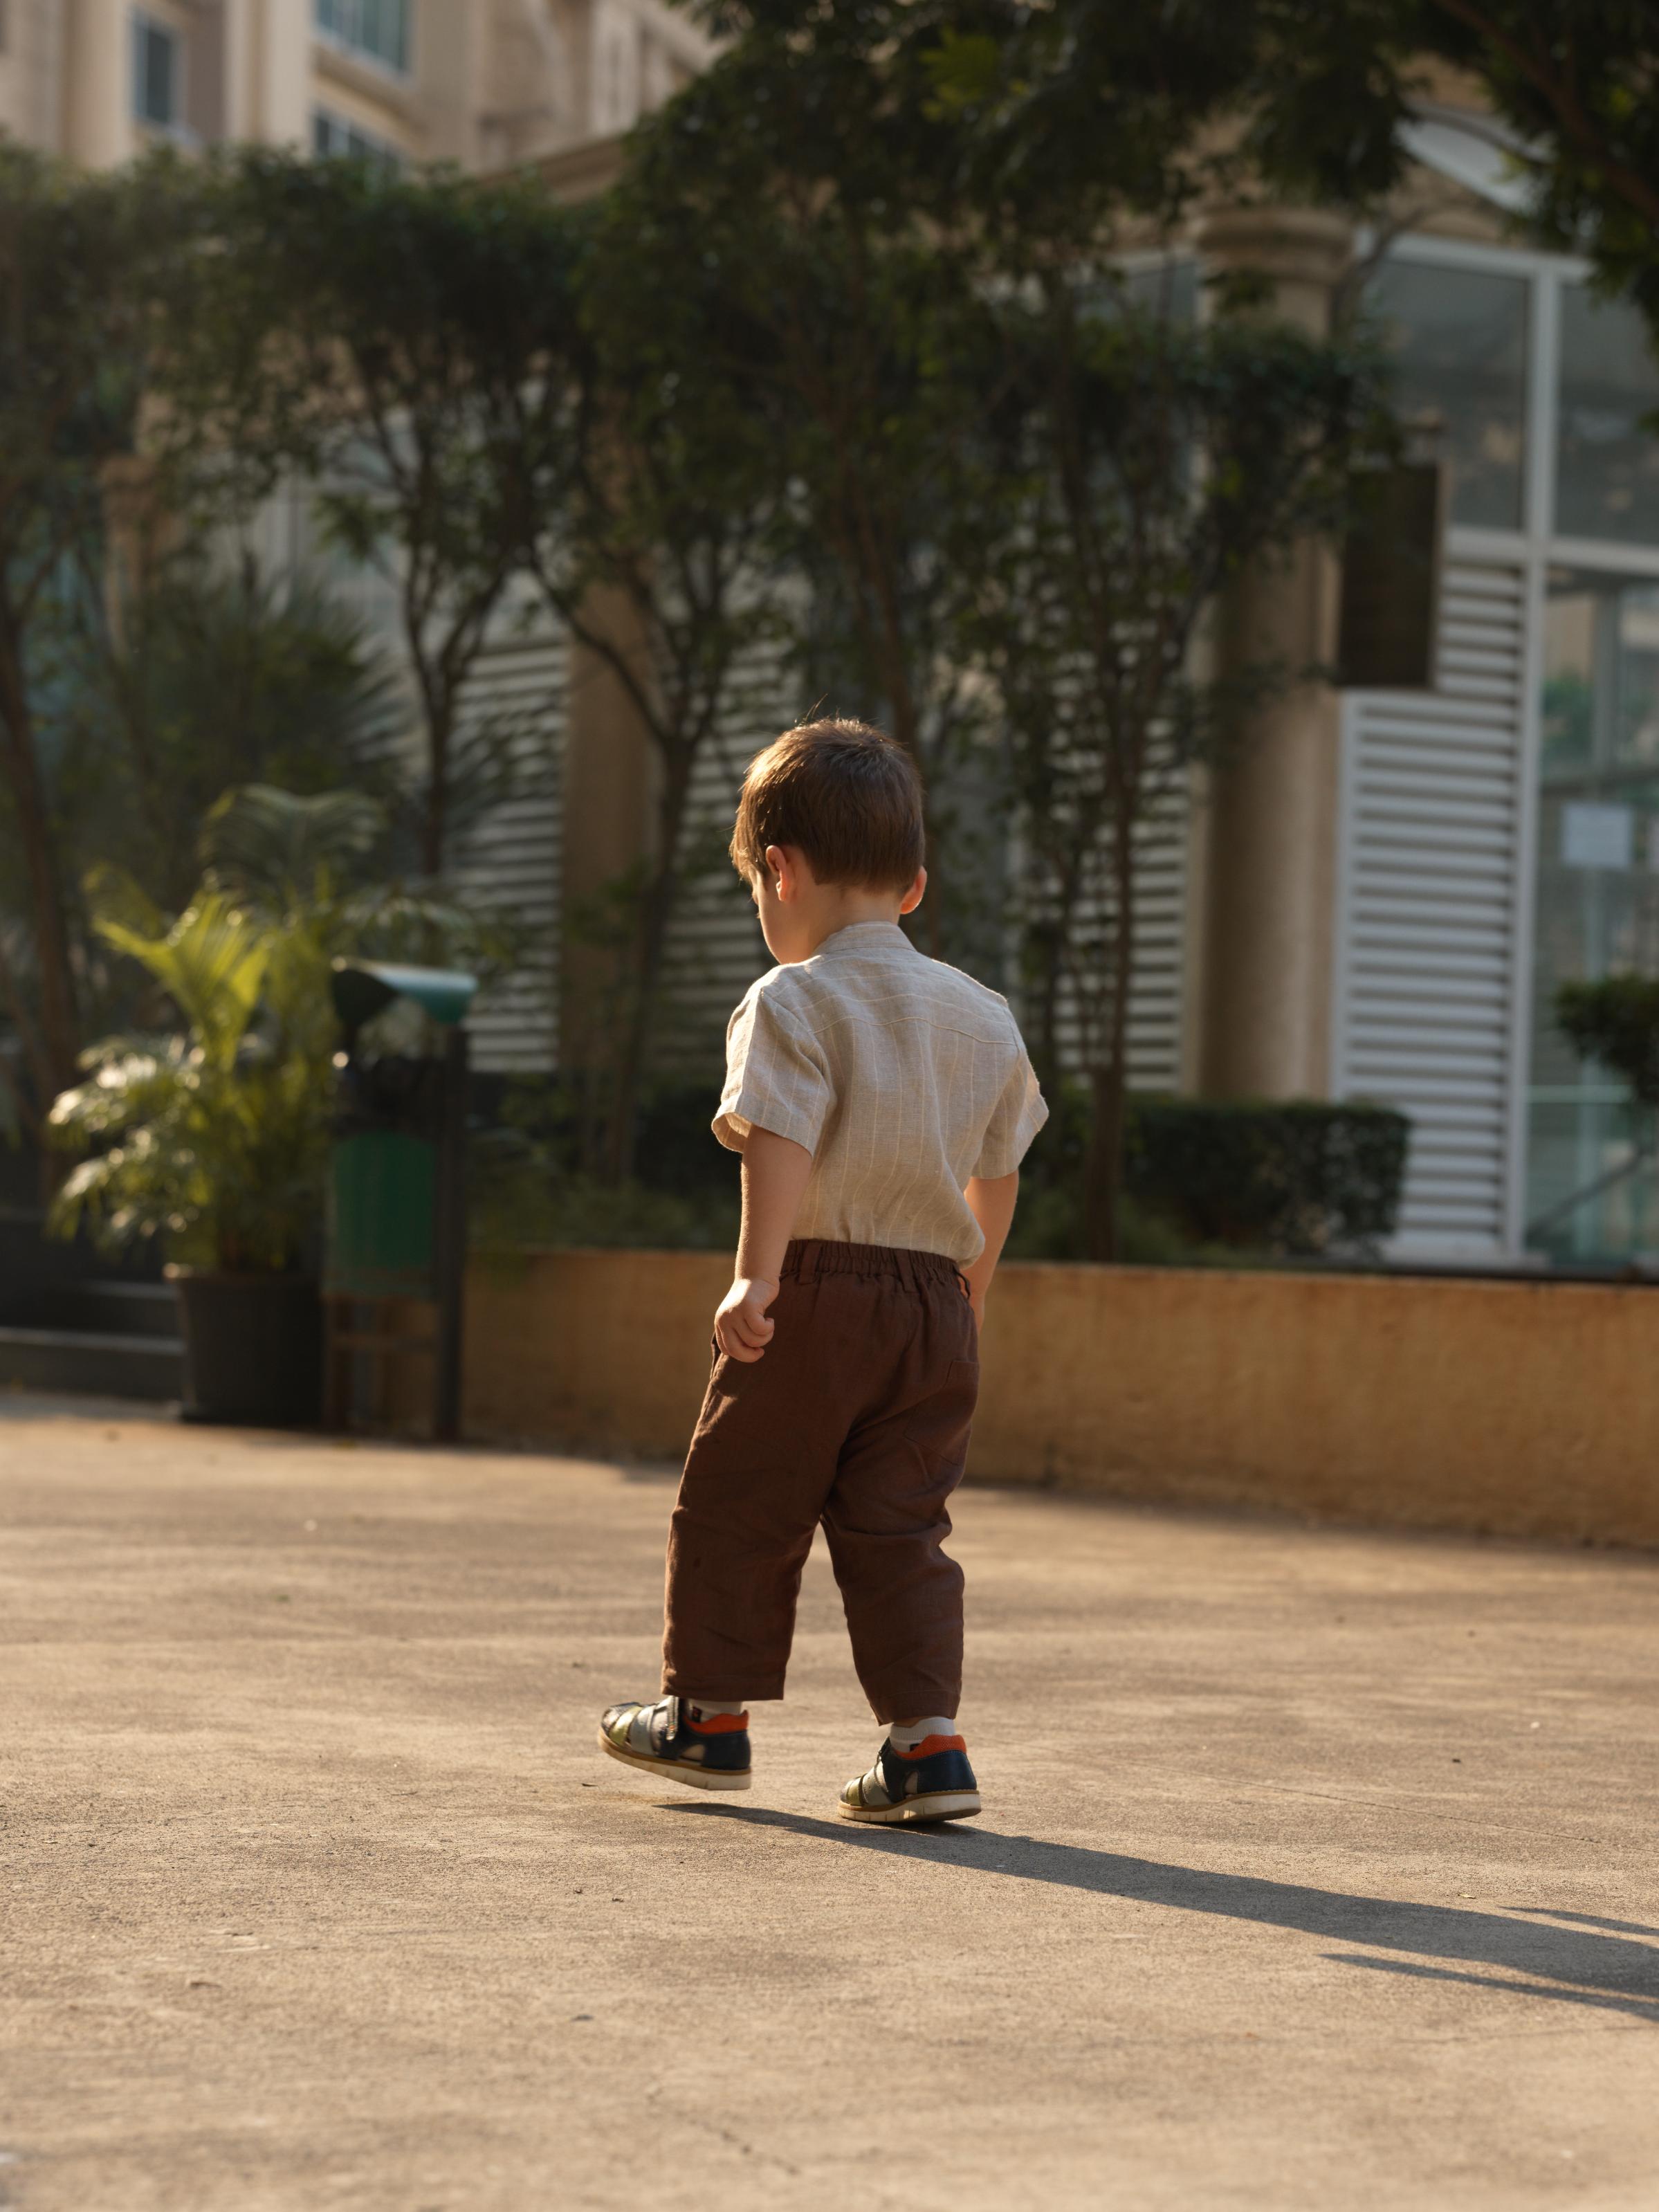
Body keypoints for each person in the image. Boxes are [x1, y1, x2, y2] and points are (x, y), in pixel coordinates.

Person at [598, 718, 1047, 1825]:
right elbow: (1000, 1168)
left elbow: (778, 1137)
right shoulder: (980, 1014)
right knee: (902, 1526)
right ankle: (926, 1746)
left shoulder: (790, 999)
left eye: (758, 885)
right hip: (934, 1308)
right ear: (914, 885)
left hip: (819, 1295)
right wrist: (971, 1290)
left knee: (741, 1501)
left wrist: (756, 1279)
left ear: (781, 871)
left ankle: (705, 1717)